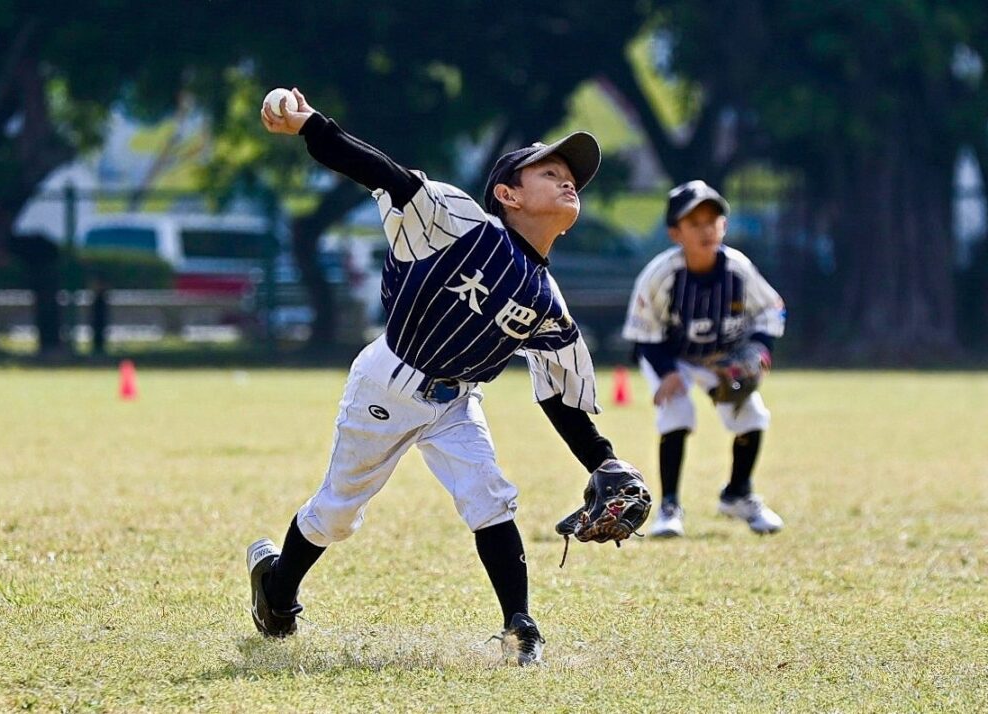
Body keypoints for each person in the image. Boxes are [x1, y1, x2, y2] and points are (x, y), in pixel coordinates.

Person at [248, 87, 627, 666]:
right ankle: (275, 590)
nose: (567, 180)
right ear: (507, 194)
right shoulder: (460, 224)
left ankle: (520, 626)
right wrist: (311, 127)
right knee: (338, 513)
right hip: (388, 382)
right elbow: (386, 176)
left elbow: (560, 395)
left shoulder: (549, 302)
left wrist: (603, 460)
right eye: (549, 172)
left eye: (571, 176)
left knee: (490, 497)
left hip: (455, 402)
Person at [622, 180, 786, 538]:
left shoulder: (738, 269)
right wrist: (666, 373)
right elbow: (643, 333)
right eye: (694, 222)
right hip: (671, 355)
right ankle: (669, 508)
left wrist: (759, 349)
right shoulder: (661, 275)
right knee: (677, 413)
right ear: (675, 233)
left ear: (723, 227)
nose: (706, 229)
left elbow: (772, 311)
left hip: (722, 357)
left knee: (753, 416)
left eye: (712, 220)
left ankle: (737, 494)